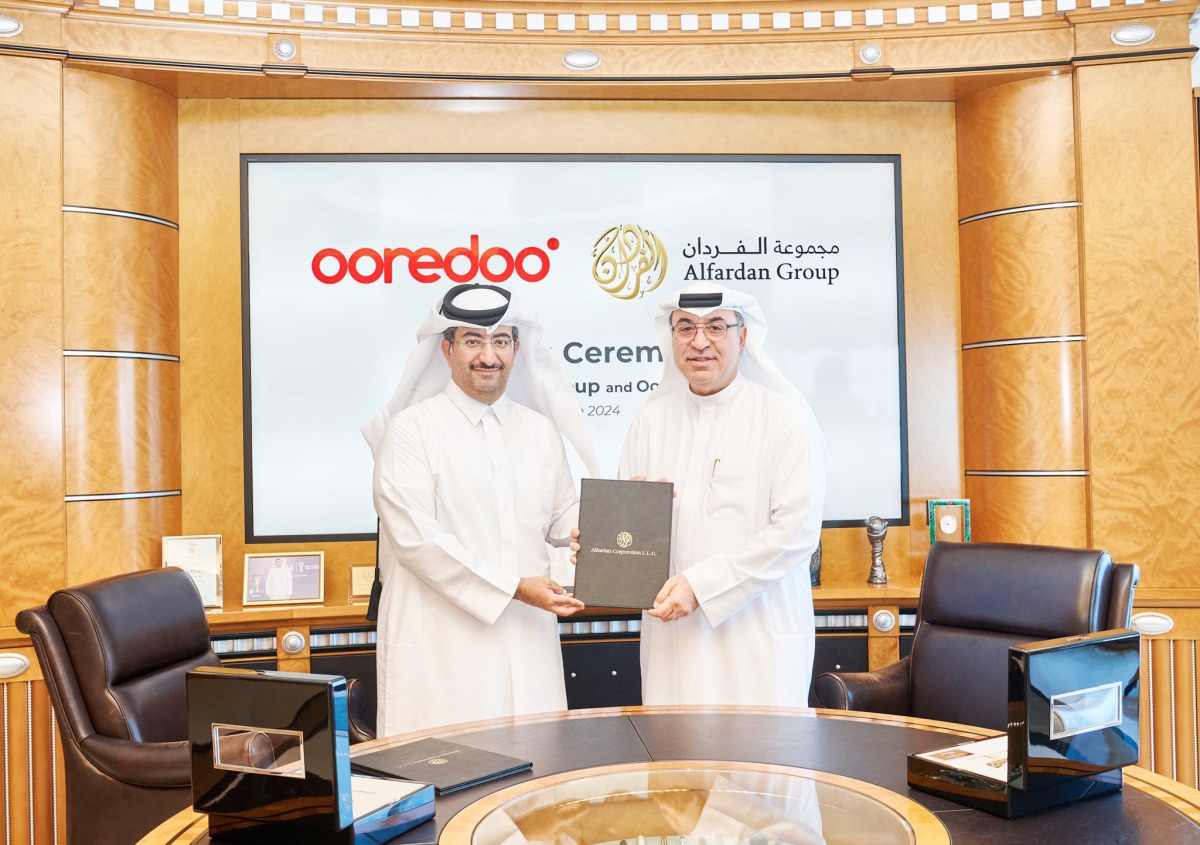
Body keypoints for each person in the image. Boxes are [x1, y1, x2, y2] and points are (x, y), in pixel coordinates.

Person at [362, 284, 599, 736]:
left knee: (534, 777)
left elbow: (563, 519)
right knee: (449, 780)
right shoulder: (411, 430)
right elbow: (418, 541)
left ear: (515, 349)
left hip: (527, 639)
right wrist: (514, 587)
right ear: (447, 349)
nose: (488, 356)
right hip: (443, 649)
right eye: (473, 340)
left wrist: (620, 516)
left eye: (501, 341)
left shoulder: (540, 431)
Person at [618, 281, 826, 707]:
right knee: (677, 765)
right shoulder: (651, 420)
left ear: (742, 336)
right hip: (672, 638)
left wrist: (701, 586)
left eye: (716, 327)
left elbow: (796, 530)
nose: (699, 342)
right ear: (670, 336)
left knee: (758, 765)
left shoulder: (783, 418)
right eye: (685, 328)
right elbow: (626, 527)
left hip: (755, 637)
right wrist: (607, 540)